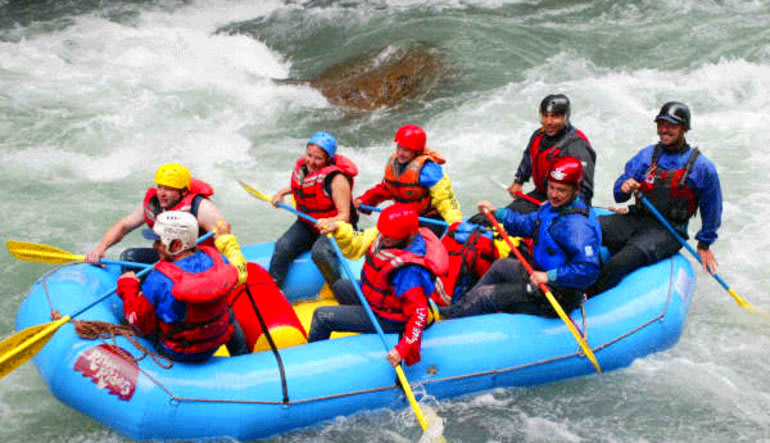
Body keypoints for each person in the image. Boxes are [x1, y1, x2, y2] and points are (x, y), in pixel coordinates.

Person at [586, 102, 722, 296]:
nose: (664, 130)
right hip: (636, 218)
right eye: (661, 124)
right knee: (584, 230)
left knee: (618, 263)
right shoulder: (647, 156)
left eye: (672, 125)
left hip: (668, 231)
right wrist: (624, 187)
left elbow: (712, 208)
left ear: (684, 129)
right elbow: (619, 194)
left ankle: (587, 298)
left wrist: (704, 244)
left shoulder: (701, 167)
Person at [441, 157, 601, 318]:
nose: (553, 194)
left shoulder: (578, 227)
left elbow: (588, 269)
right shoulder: (553, 208)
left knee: (485, 296)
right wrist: (498, 214)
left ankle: (449, 319)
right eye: (551, 187)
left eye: (561, 190)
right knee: (501, 266)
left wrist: (549, 277)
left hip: (556, 294)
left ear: (576, 190)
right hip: (538, 274)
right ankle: (461, 309)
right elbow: (528, 224)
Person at [307, 204, 449, 367]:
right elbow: (357, 242)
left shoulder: (409, 271)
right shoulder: (386, 235)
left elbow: (419, 314)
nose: (384, 237)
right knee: (340, 286)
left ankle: (310, 363)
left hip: (391, 318)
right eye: (384, 232)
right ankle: (362, 330)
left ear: (408, 235)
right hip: (377, 300)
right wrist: (338, 227)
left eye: (390, 235)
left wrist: (402, 350)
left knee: (322, 316)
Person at [116, 211, 249, 362]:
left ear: (177, 244)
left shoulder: (159, 278)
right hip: (215, 343)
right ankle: (241, 354)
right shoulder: (218, 259)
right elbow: (239, 271)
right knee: (228, 312)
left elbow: (138, 323)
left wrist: (129, 288)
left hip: (178, 352)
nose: (154, 246)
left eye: (159, 241)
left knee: (140, 315)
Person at [84, 163, 247, 284]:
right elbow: (124, 225)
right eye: (160, 187)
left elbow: (225, 236)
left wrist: (233, 267)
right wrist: (100, 248)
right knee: (130, 257)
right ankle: (145, 299)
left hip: (196, 260)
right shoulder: (153, 204)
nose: (162, 193)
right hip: (168, 255)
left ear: (183, 191)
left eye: (168, 189)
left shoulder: (201, 207)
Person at [269, 131, 358, 290]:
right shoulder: (304, 169)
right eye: (309, 155)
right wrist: (281, 193)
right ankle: (273, 291)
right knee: (282, 246)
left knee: (320, 252)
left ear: (328, 160)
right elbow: (303, 186)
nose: (311, 162)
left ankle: (339, 289)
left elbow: (345, 216)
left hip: (336, 228)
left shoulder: (337, 179)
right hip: (309, 224)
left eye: (318, 158)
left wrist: (329, 221)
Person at [354, 124, 462, 237]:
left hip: (428, 218)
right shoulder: (395, 163)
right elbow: (386, 188)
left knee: (421, 244)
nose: (400, 153)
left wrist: (455, 223)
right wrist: (364, 200)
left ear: (416, 151)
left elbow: (445, 199)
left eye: (405, 150)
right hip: (406, 217)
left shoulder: (429, 169)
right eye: (399, 147)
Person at [506, 94, 596, 213]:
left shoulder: (577, 147)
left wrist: (569, 211)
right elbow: (528, 159)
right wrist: (518, 181)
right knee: (506, 214)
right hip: (541, 195)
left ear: (566, 117)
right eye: (545, 116)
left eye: (555, 116)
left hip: (565, 203)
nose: (548, 122)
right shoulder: (538, 135)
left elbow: (585, 190)